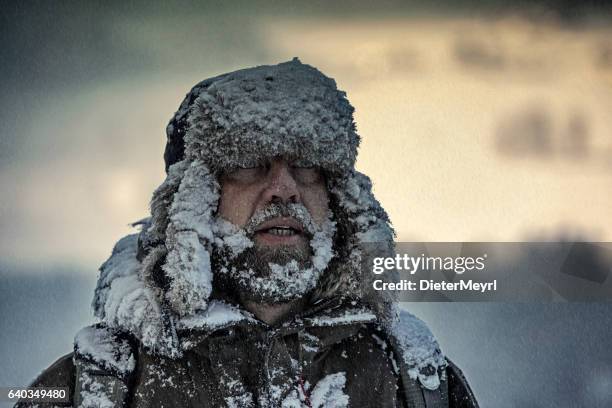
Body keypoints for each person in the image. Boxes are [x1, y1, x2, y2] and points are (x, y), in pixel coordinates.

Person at [17, 58, 478, 407]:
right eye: (248, 165)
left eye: (306, 166)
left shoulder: (415, 383)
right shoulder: (96, 388)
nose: (284, 189)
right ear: (192, 201)